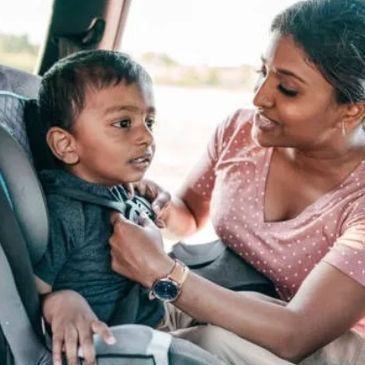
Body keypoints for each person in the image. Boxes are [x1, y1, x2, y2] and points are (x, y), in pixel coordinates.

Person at [42, 0, 365, 364]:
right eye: (263, 71)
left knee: (201, 345)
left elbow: (297, 334)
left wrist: (160, 271)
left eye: (287, 89)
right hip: (236, 302)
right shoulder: (241, 132)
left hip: (323, 346)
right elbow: (191, 215)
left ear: (351, 109)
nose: (258, 97)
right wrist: (162, 207)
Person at [34, 50, 166, 364]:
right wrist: (58, 301)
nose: (146, 137)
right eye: (124, 123)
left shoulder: (118, 187)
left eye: (149, 121)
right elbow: (23, 295)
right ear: (66, 145)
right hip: (118, 343)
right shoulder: (65, 213)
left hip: (154, 315)